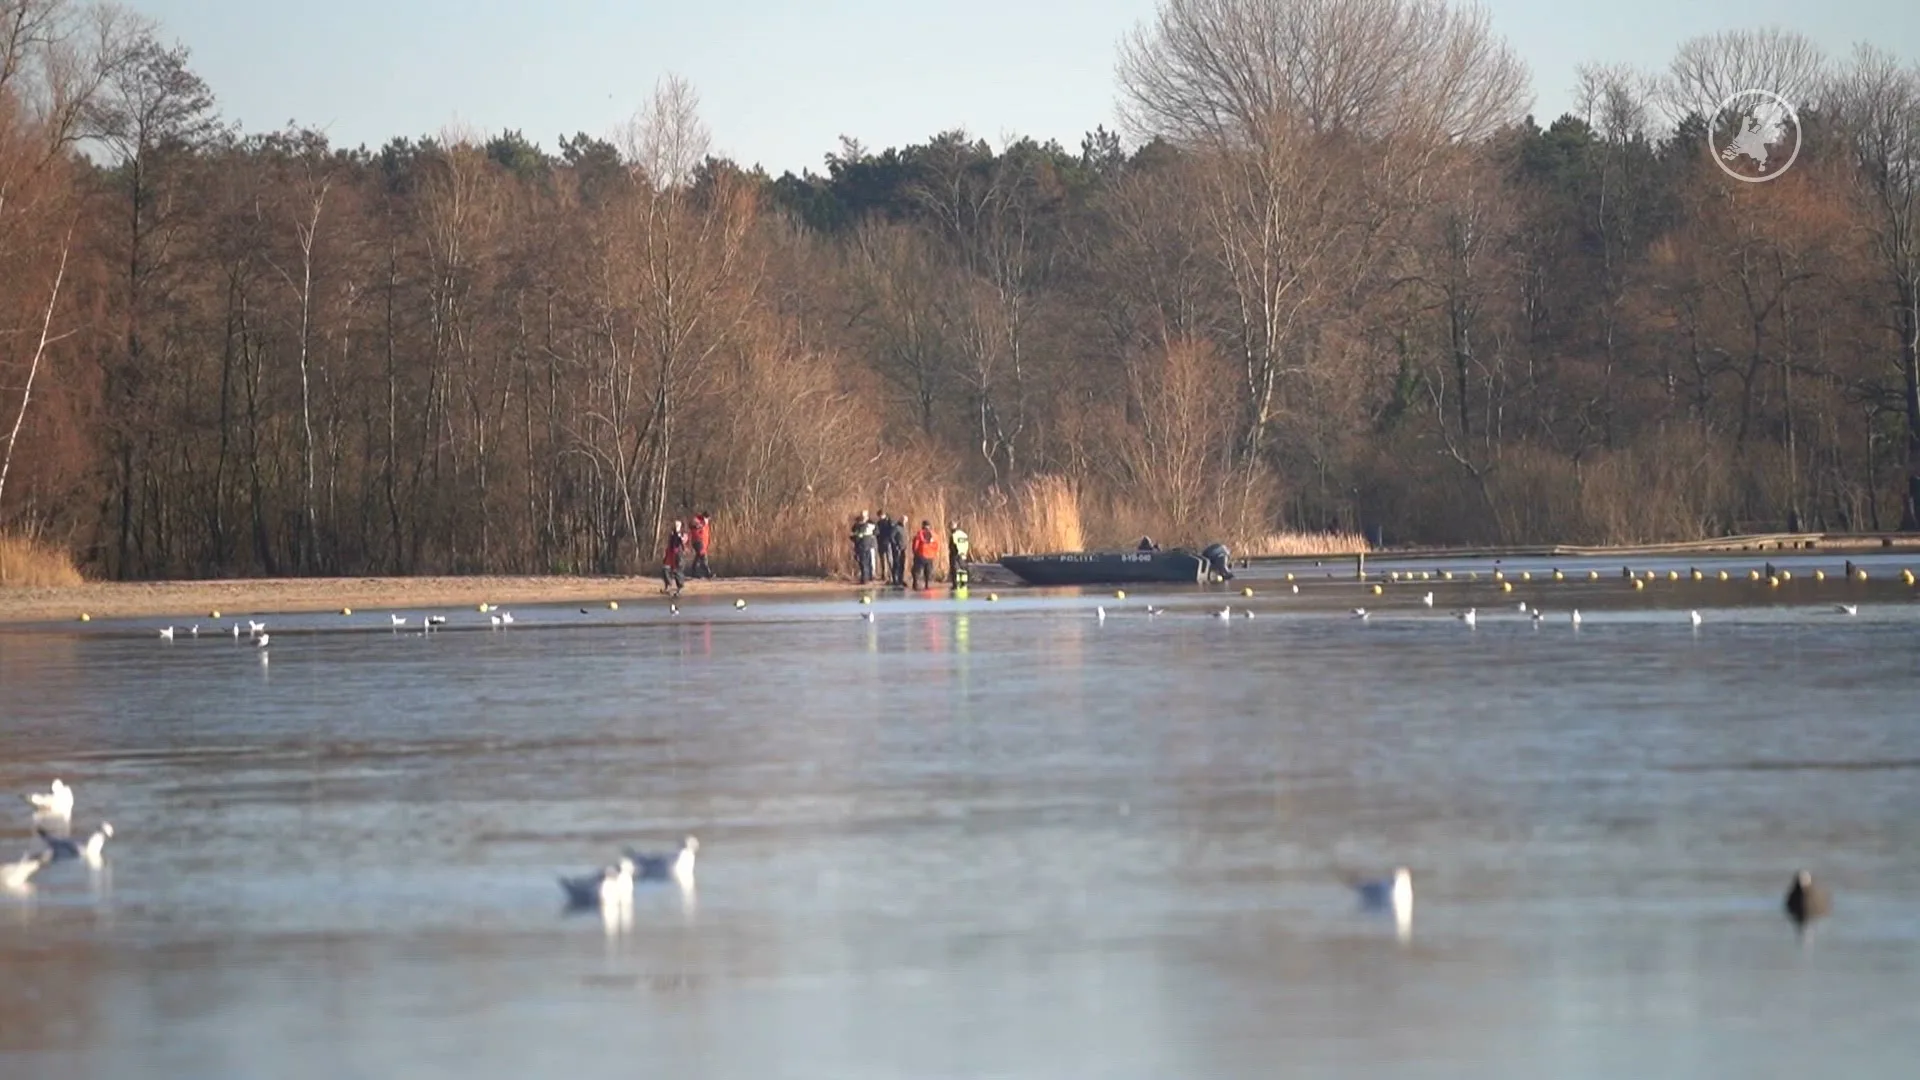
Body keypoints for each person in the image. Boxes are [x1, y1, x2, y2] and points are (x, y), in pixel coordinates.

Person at [662, 520, 689, 595]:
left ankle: (680, 588)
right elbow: (670, 542)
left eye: (677, 525)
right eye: (675, 525)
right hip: (670, 553)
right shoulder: (672, 533)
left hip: (678, 554)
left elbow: (683, 541)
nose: (675, 527)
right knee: (665, 569)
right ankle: (668, 586)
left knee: (677, 571)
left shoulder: (683, 534)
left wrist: (679, 535)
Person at [850, 511, 878, 584]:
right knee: (867, 563)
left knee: (864, 563)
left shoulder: (865, 526)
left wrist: (853, 537)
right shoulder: (867, 525)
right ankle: (867, 578)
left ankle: (865, 579)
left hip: (863, 546)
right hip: (867, 545)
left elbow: (858, 536)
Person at [911, 520, 938, 589]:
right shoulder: (934, 535)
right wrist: (934, 553)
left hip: (921, 554)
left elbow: (916, 545)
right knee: (928, 570)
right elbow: (937, 546)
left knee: (917, 570)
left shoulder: (919, 534)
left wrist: (915, 552)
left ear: (922, 525)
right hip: (930, 556)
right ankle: (927, 584)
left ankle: (916, 584)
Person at [688, 512, 713, 579]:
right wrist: (697, 525)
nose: (707, 520)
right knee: (702, 556)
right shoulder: (697, 520)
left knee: (700, 557)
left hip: (703, 543)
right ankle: (708, 573)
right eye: (706, 518)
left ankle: (694, 572)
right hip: (697, 541)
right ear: (704, 517)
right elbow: (691, 525)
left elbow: (706, 535)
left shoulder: (706, 525)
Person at [947, 521, 971, 591]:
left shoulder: (953, 535)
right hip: (963, 553)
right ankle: (963, 584)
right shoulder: (964, 534)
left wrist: (952, 553)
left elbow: (952, 546)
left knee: (954, 570)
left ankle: (955, 585)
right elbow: (967, 544)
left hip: (956, 554)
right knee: (963, 569)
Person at [875, 514, 897, 585]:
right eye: (879, 516)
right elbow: (877, 532)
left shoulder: (889, 522)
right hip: (881, 542)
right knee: (882, 559)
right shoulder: (879, 523)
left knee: (889, 559)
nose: (880, 517)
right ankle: (884, 574)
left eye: (881, 515)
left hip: (887, 542)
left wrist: (890, 540)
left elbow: (892, 531)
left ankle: (891, 574)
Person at [887, 512, 908, 586]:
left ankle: (901, 579)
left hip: (903, 549)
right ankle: (895, 579)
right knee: (896, 564)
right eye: (904, 521)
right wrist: (895, 546)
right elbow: (891, 537)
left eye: (906, 521)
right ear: (901, 520)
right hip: (897, 549)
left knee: (902, 564)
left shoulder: (904, 528)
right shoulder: (896, 527)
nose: (905, 522)